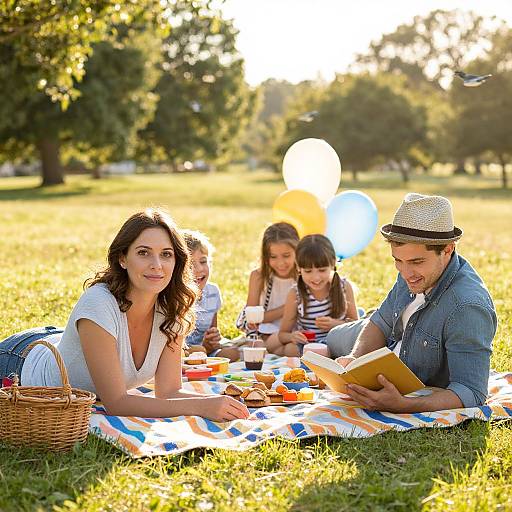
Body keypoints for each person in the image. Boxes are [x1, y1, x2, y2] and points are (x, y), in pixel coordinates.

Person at [0, 209, 249, 422]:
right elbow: (117, 403)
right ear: (122, 258)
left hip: (63, 340)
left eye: (166, 254)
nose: (157, 265)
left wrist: (218, 402)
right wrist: (201, 407)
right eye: (143, 253)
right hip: (18, 363)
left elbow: (168, 391)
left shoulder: (172, 307)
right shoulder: (99, 303)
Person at [327, 193, 497, 413]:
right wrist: (354, 359)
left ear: (447, 249)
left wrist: (403, 405)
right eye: (398, 260)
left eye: (416, 262)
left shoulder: (467, 307)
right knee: (331, 339)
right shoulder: (414, 273)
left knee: (331, 338)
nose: (406, 273)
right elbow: (381, 321)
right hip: (389, 341)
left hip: (397, 362)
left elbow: (471, 392)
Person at [275, 234, 359, 356]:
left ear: (333, 264)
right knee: (290, 349)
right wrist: (293, 336)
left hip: (336, 342)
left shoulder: (344, 287)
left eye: (322, 270)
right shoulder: (295, 294)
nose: (316, 277)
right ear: (299, 268)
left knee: (353, 345)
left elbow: (356, 326)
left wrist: (335, 324)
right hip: (309, 346)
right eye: (308, 271)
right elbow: (282, 335)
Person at [237, 222, 300, 348]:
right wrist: (288, 307)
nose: (280, 263)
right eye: (273, 257)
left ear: (297, 251)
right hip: (263, 333)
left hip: (292, 333)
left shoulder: (302, 277)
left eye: (286, 256)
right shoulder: (259, 277)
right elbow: (252, 317)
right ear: (266, 257)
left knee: (291, 347)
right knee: (257, 345)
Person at [182, 229, 239, 362]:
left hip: (204, 349)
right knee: (199, 351)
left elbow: (213, 330)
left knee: (233, 353)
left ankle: (204, 357)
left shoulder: (212, 292)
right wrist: (201, 348)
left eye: (203, 262)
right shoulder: (176, 295)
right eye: (190, 265)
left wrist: (212, 341)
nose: (199, 269)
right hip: (181, 350)